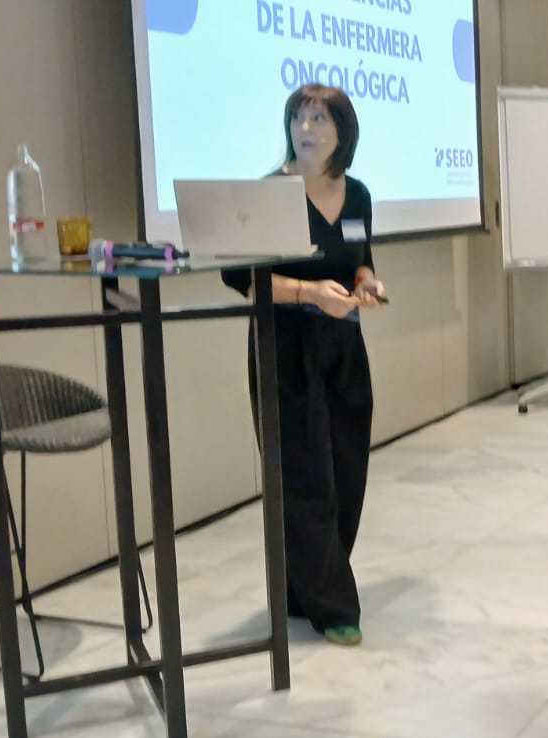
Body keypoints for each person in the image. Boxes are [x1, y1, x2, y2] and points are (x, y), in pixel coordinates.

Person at [222, 83, 385, 647]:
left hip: (344, 344)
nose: (306, 128)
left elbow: (361, 261)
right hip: (285, 344)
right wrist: (310, 293)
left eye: (319, 118)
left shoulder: (357, 194)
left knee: (347, 471)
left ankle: (302, 588)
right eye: (298, 117)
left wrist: (368, 285)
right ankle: (334, 605)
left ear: (344, 132)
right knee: (305, 475)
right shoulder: (270, 194)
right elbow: (244, 278)